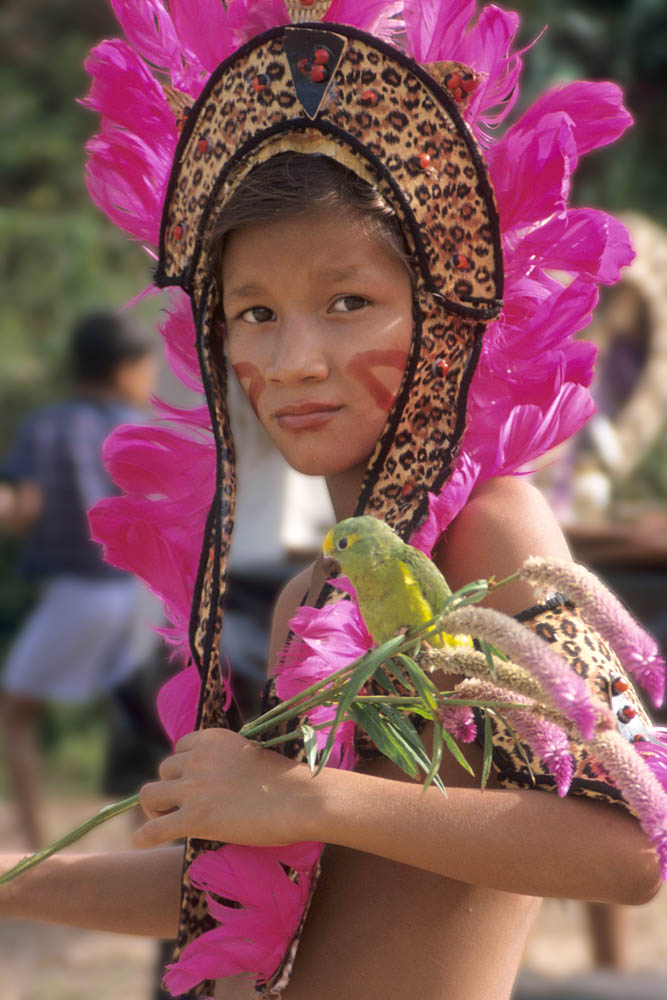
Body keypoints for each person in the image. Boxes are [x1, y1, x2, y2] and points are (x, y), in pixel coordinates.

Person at [0, 4, 664, 1000]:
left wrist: (305, 792)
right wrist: (15, 882)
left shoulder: (497, 529)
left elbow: (627, 845)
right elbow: (238, 889)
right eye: (255, 312)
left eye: (346, 301)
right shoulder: (310, 595)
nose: (291, 359)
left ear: (443, 311)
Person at [0, 311, 158, 849]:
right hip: (146, 596)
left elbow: (24, 508)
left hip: (81, 592)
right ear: (123, 369)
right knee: (142, 723)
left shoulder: (47, 426)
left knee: (16, 714)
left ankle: (37, 841)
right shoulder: (140, 428)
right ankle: (154, 848)